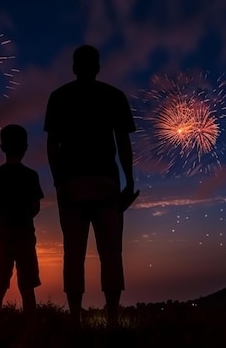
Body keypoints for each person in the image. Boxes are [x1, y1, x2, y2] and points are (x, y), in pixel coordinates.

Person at [44, 44, 137, 327]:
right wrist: (129, 180)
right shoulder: (113, 96)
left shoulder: (59, 97)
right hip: (105, 181)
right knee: (111, 253)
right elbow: (123, 143)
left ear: (74, 67)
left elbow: (52, 145)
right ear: (97, 67)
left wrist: (58, 180)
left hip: (71, 183)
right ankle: (111, 319)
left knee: (73, 253)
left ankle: (74, 319)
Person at [0, 124, 44, 319]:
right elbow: (35, 207)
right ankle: (30, 330)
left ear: (2, 148)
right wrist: (23, 218)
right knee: (27, 286)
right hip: (25, 233)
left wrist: (5, 218)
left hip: (2, 233)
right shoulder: (31, 176)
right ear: (25, 147)